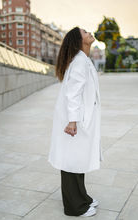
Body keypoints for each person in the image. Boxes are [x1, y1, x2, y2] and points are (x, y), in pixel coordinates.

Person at [48, 26, 103, 217]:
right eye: (85, 32)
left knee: (78, 159)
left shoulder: (82, 60)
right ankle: (74, 207)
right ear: (79, 41)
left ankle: (83, 198)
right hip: (74, 121)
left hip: (80, 119)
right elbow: (73, 94)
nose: (89, 33)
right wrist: (72, 121)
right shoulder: (79, 62)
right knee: (71, 161)